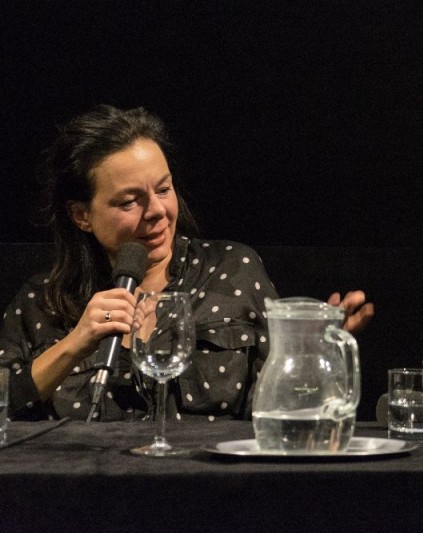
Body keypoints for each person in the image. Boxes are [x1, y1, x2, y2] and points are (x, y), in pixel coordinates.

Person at [0, 104, 374, 422]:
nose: (157, 211)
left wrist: (312, 353)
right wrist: (73, 345)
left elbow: (278, 410)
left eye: (163, 189)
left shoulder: (232, 271)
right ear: (82, 215)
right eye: (129, 202)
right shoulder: (41, 302)